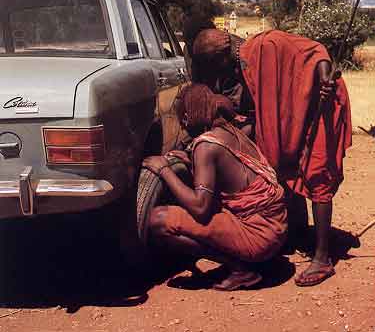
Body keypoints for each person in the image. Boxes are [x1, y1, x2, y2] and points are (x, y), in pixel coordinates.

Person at [191, 28, 352, 287]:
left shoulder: (267, 44)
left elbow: (315, 50)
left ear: (222, 57)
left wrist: (324, 77)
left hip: (322, 103)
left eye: (214, 67)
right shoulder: (241, 66)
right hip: (296, 110)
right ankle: (297, 231)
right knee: (285, 164)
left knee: (316, 171)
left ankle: (323, 258)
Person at [142, 84, 287, 291]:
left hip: (259, 237)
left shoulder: (206, 145)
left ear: (186, 118)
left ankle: (241, 269)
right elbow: (230, 177)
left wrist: (164, 169)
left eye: (183, 120)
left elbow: (200, 208)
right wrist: (194, 163)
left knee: (158, 220)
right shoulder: (231, 130)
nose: (183, 127)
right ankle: (247, 260)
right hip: (276, 229)